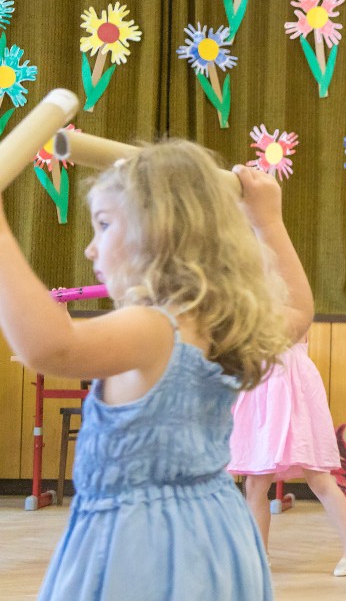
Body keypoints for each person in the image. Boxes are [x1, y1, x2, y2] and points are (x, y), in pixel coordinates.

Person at [0, 140, 311, 600]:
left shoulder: (152, 328)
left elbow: (49, 347)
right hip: (217, 533)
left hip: (144, 549)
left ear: (160, 233)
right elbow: (298, 311)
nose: (90, 249)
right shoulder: (222, 324)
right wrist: (269, 223)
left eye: (104, 225)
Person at [229, 331, 346, 575]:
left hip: (294, 386)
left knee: (318, 476)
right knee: (255, 482)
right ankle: (260, 554)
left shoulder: (291, 307)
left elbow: (286, 330)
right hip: (259, 386)